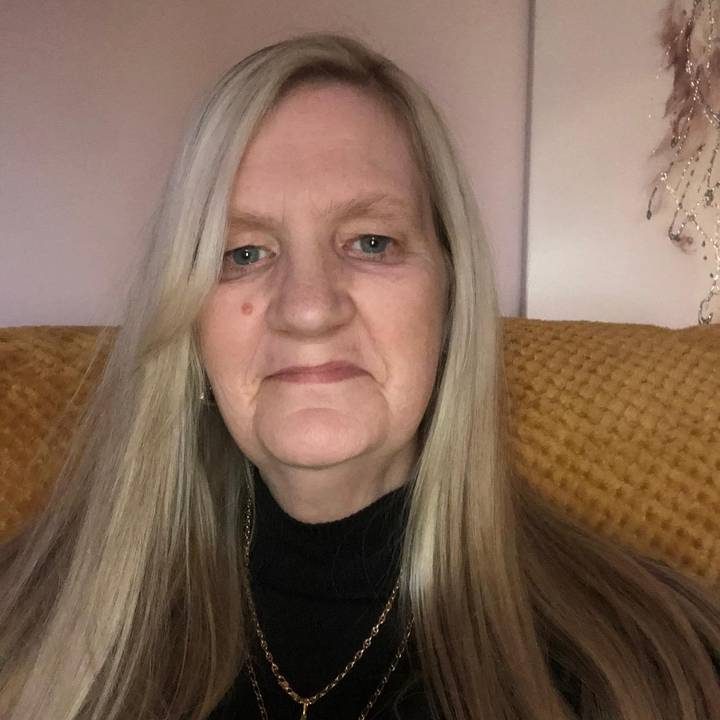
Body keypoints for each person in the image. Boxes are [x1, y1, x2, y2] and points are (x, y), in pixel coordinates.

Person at [1, 31, 719, 720]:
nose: (309, 308)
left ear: (451, 299)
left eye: (371, 242)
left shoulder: (663, 664)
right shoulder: (24, 620)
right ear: (189, 320)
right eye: (244, 252)